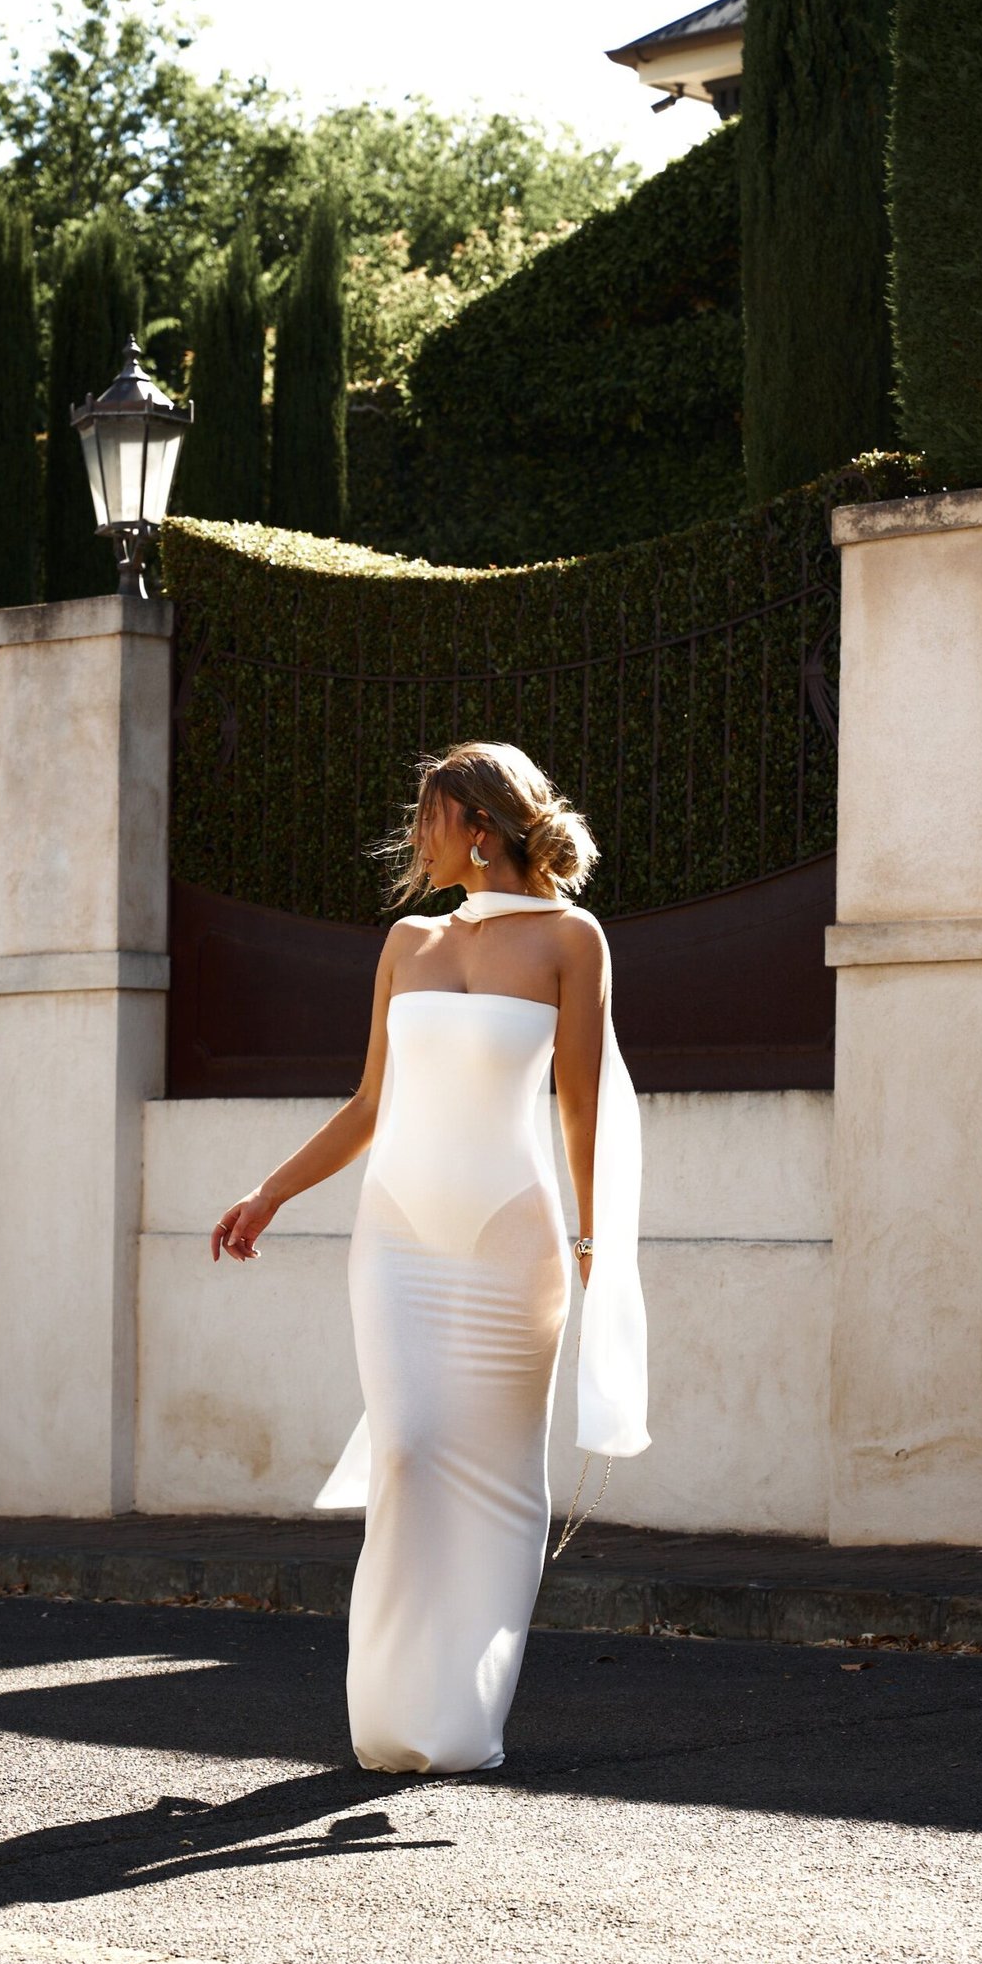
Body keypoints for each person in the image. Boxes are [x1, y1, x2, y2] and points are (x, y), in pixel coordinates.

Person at [210, 740, 649, 1773]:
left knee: (498, 1477)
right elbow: (372, 1103)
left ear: (480, 827)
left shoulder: (571, 940)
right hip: (397, 1235)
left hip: (512, 1237)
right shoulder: (407, 943)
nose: (417, 836)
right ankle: (393, 1712)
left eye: (431, 816)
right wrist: (270, 1191)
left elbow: (581, 1110)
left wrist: (594, 1240)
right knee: (406, 1452)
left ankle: (460, 1718)